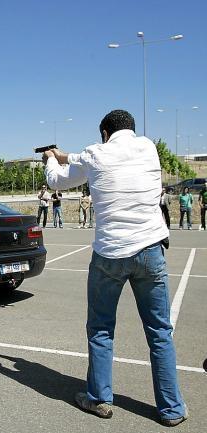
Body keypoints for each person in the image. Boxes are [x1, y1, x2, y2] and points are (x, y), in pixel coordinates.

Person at [42, 110, 187, 426]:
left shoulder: (96, 154)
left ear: (104, 133)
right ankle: (171, 408)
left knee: (101, 328)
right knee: (160, 331)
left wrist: (51, 159)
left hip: (110, 254)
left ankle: (98, 398)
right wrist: (62, 154)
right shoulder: (148, 147)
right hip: (151, 250)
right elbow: (78, 158)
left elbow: (57, 179)